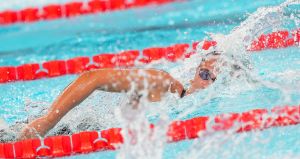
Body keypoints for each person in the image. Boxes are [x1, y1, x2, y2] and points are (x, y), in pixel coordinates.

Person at [20, 51, 222, 140]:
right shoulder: (163, 83)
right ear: (196, 71)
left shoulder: (197, 113)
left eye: (214, 79)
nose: (206, 84)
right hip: (66, 131)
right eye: (204, 74)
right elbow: (93, 78)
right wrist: (48, 121)